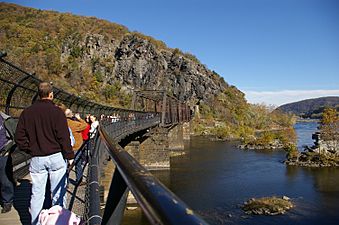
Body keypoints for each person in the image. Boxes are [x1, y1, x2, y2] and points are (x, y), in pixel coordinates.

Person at [15, 82, 74, 225]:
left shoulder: (27, 112)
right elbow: (64, 137)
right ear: (51, 94)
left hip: (37, 158)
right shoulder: (57, 112)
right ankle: (58, 221)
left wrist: (30, 149)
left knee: (37, 195)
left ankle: (35, 222)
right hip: (56, 157)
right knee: (58, 194)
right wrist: (70, 156)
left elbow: (19, 137)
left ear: (38, 94)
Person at [65, 109, 87, 184]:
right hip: (77, 147)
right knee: (78, 163)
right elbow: (85, 125)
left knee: (67, 165)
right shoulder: (74, 124)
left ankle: (65, 182)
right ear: (70, 114)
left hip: (67, 147)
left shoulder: (63, 123)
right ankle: (79, 180)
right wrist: (79, 118)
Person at [0, 111, 14, 213]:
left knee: (4, 178)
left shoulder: (5, 119)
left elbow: (14, 134)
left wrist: (8, 148)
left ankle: (7, 201)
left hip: (3, 152)